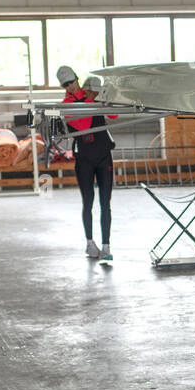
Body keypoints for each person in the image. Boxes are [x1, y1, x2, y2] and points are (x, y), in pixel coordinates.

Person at [58, 66, 118, 263]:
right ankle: (90, 242)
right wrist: (91, 99)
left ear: (76, 78)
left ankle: (107, 245)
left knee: (105, 203)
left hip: (103, 155)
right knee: (88, 202)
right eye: (66, 85)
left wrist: (102, 96)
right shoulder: (66, 104)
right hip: (84, 157)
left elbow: (114, 116)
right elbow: (81, 124)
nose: (71, 87)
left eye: (72, 82)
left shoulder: (93, 91)